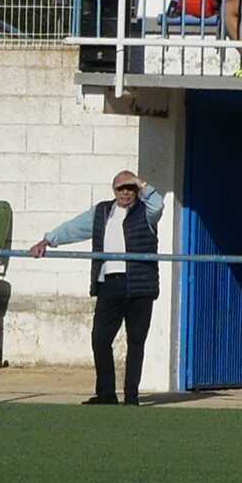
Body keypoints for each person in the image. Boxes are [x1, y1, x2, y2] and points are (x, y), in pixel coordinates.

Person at [30, 171, 165, 405]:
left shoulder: (147, 212)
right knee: (100, 339)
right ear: (113, 190)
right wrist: (47, 240)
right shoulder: (102, 212)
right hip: (109, 284)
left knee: (136, 341)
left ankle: (131, 397)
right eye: (121, 188)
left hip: (140, 285)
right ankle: (106, 394)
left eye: (130, 188)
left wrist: (139, 182)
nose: (125, 192)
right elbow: (74, 228)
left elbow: (158, 203)